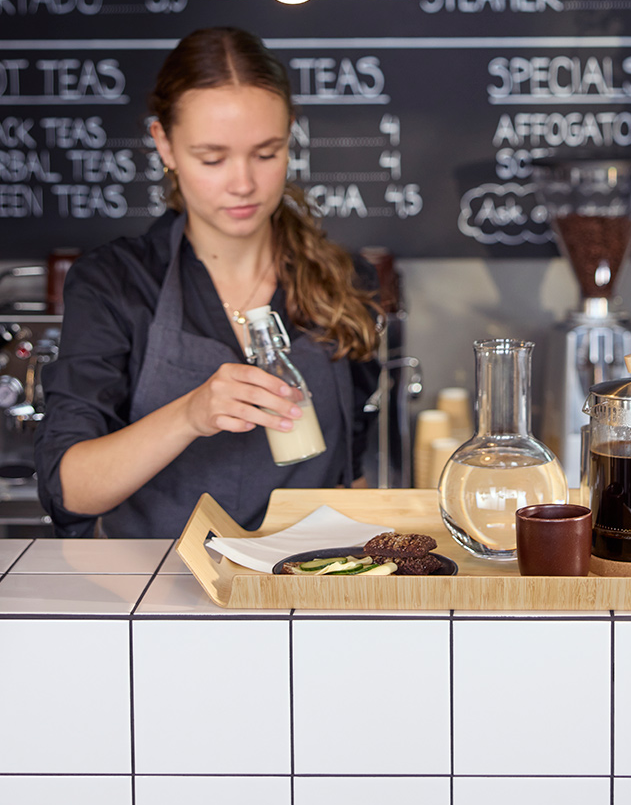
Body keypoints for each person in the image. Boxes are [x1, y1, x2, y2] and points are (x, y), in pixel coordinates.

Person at [34, 27, 381, 538]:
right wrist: (191, 414)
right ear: (164, 145)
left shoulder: (345, 281)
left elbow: (350, 473)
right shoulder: (116, 283)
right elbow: (69, 491)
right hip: (153, 591)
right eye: (212, 158)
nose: (243, 183)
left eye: (267, 153)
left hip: (307, 580)